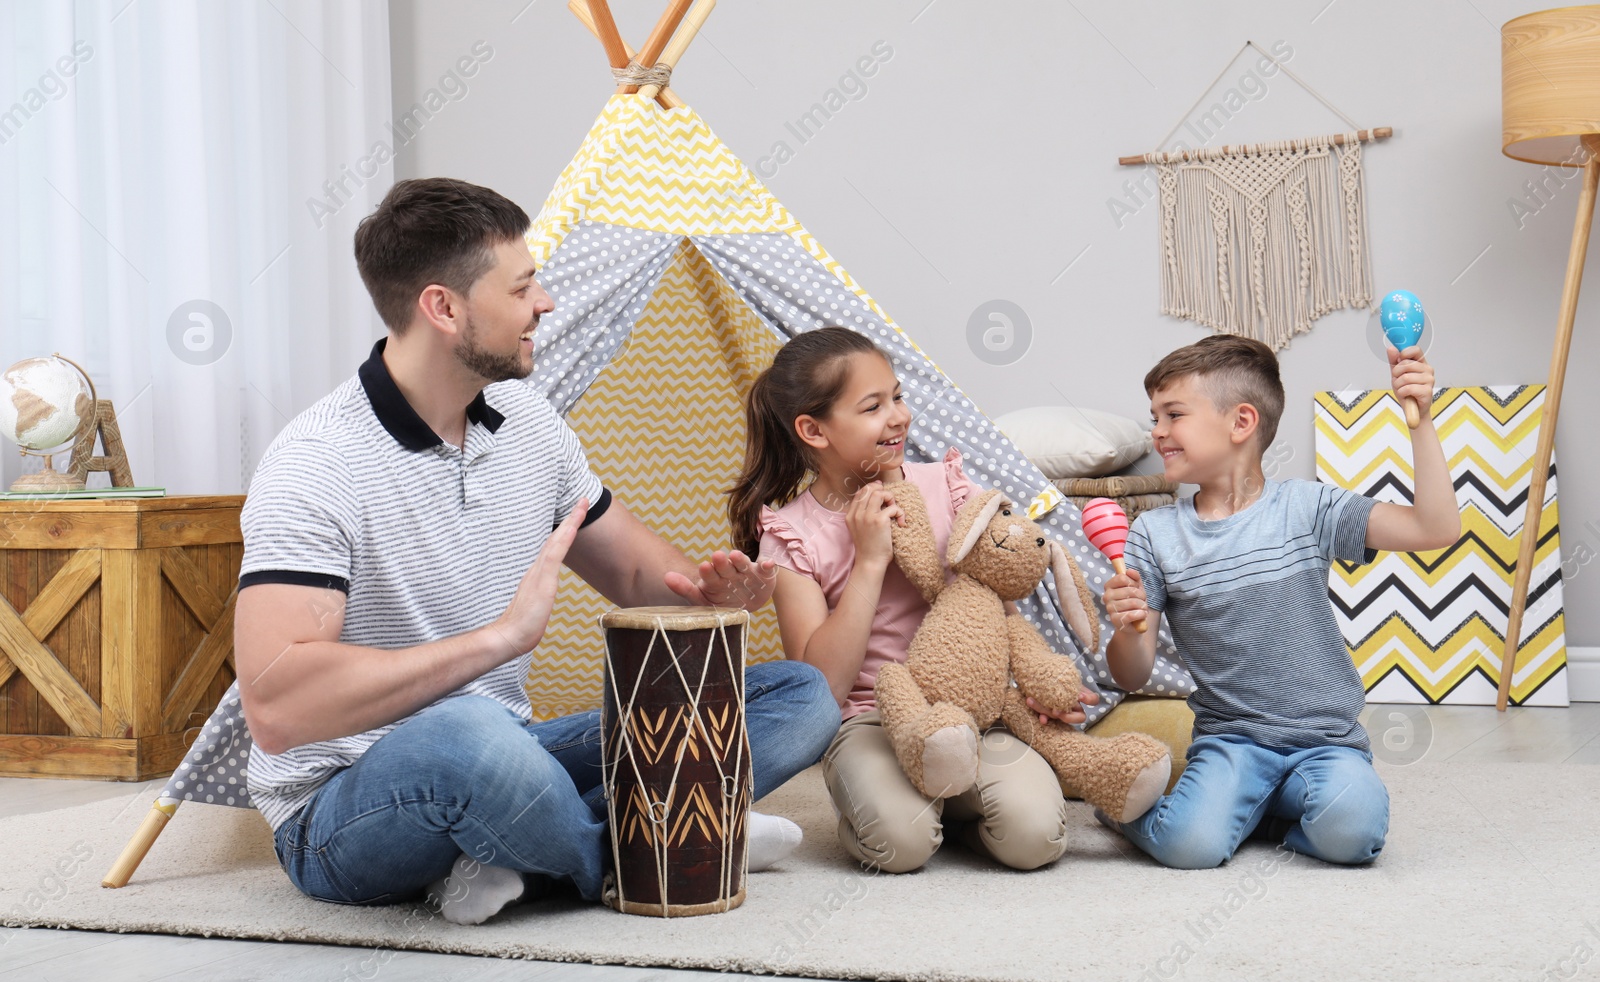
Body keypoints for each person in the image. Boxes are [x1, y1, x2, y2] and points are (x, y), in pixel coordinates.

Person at [236, 178, 838, 924]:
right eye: (522, 287)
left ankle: (511, 852)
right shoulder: (316, 462)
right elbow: (276, 703)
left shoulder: (527, 421)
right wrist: (498, 641)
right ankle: (671, 851)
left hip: (513, 753)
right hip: (342, 807)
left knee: (800, 696)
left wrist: (709, 598)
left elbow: (632, 570)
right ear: (443, 307)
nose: (545, 302)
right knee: (471, 731)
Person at [728, 327, 1096, 874]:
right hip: (870, 719)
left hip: (976, 711)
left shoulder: (948, 487)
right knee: (900, 846)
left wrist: (1036, 683)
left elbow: (997, 606)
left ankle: (962, 811)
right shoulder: (791, 533)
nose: (898, 416)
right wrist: (870, 561)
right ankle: (922, 810)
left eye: (897, 397)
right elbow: (821, 688)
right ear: (813, 429)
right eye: (873, 406)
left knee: (1035, 838)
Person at [1100, 333, 1460, 868]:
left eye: (1173, 415)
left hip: (1327, 741)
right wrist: (1127, 628)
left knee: (1352, 833)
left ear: (1241, 422)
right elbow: (1131, 675)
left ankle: (1258, 816)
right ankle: (1120, 806)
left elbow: (1435, 527)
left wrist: (1422, 420)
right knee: (1188, 847)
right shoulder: (1154, 534)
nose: (1157, 433)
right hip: (1232, 742)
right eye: (1154, 416)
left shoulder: (1307, 508)